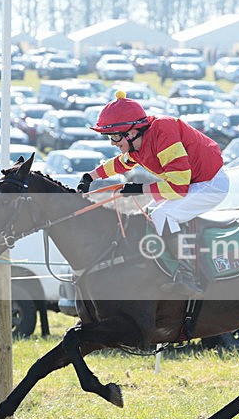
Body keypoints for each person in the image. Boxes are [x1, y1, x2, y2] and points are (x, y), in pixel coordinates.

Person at [77, 90, 229, 300]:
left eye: (114, 136)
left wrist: (140, 189)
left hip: (210, 183)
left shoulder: (164, 134)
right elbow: (121, 164)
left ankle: (188, 277)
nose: (112, 142)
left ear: (131, 132)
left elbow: (179, 189)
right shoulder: (138, 144)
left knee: (163, 215)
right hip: (192, 182)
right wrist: (90, 176)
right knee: (150, 213)